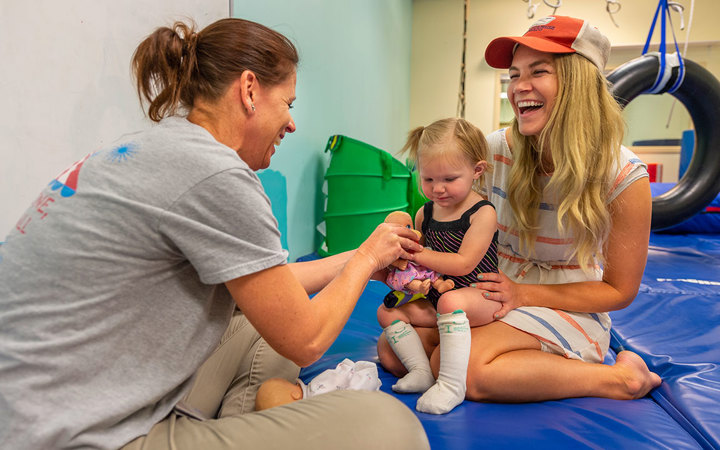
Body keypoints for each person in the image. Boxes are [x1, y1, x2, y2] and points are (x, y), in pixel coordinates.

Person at [0, 18, 430, 449]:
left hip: (35, 401)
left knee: (259, 322)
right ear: (248, 90)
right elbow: (307, 340)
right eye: (288, 104)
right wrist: (366, 258)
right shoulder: (217, 174)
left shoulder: (154, 148)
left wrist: (360, 258)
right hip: (67, 433)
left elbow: (271, 287)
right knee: (391, 427)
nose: (292, 124)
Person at [377, 15, 662, 404]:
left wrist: (525, 294)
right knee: (394, 350)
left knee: (467, 371)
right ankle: (521, 359)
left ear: (578, 83)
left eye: (538, 71)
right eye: (514, 75)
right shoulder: (493, 152)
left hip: (563, 301)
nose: (519, 87)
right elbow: (437, 208)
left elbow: (619, 290)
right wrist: (401, 240)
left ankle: (619, 378)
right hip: (489, 291)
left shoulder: (623, 175)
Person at [377, 118, 502, 414]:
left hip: (479, 294)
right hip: (436, 296)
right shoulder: (425, 212)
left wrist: (415, 253)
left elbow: (462, 264)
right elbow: (422, 265)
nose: (438, 189)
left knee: (451, 300)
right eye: (429, 179)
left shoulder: (482, 213)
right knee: (387, 311)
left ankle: (451, 384)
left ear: (477, 171)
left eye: (449, 179)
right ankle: (420, 370)